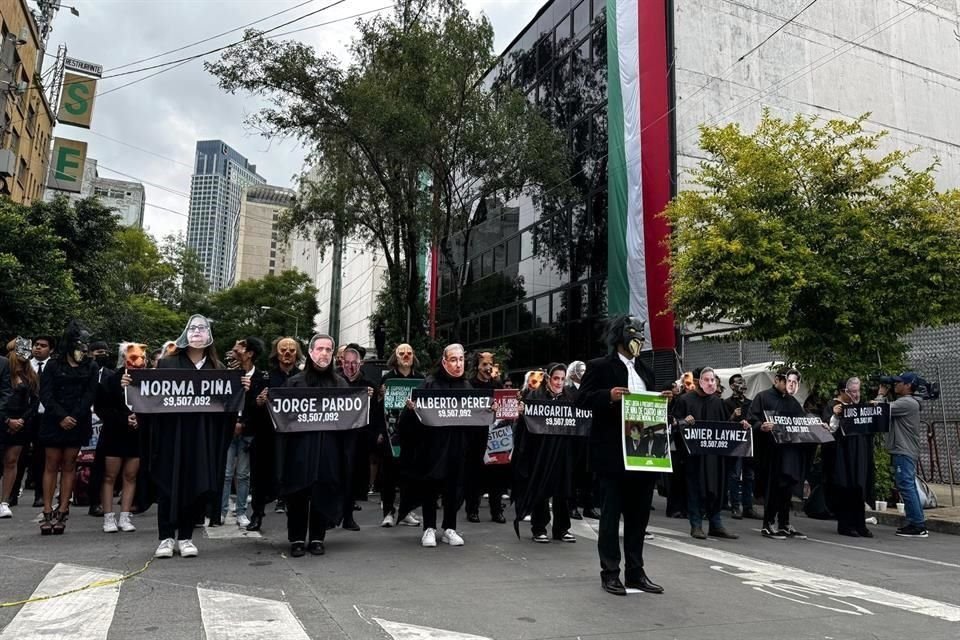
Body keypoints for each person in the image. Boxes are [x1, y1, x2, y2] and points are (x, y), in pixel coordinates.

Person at [132, 314, 238, 559]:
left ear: (210, 336)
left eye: (203, 328)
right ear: (186, 333)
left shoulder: (218, 369)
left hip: (203, 436)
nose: (198, 333)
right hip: (171, 434)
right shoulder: (168, 363)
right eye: (193, 328)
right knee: (169, 483)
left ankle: (186, 537)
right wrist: (133, 385)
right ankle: (165, 537)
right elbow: (151, 395)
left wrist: (239, 388)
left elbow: (227, 405)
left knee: (196, 483)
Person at [577, 315, 667, 596]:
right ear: (619, 337)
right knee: (611, 515)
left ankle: (636, 572)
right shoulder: (599, 367)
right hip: (613, 455)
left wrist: (663, 401)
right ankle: (610, 572)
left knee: (639, 516)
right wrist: (608, 396)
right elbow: (581, 400)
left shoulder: (647, 371)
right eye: (633, 333)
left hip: (644, 453)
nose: (638, 338)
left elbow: (649, 407)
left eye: (641, 333)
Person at [276, 334, 351, 557]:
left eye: (329, 350)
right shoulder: (295, 382)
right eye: (320, 349)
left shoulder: (340, 384)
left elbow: (349, 416)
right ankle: (297, 538)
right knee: (298, 492)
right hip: (300, 446)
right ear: (310, 352)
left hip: (329, 447)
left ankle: (317, 537)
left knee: (324, 489)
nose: (324, 354)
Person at [399, 344, 472, 548]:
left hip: (457, 447)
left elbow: (477, 419)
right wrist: (411, 410)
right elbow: (407, 422)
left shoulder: (467, 386)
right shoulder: (429, 384)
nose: (458, 364)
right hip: (432, 447)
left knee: (454, 487)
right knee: (430, 487)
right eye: (454, 360)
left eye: (461, 360)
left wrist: (490, 409)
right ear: (444, 362)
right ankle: (429, 528)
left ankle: (450, 528)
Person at [36, 321, 99, 535]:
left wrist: (74, 415)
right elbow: (45, 393)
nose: (83, 347)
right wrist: (62, 416)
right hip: (54, 419)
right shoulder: (54, 365)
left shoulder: (90, 366)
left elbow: (90, 394)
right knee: (51, 464)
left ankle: (63, 510)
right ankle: (47, 510)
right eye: (80, 342)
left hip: (78, 419)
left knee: (70, 464)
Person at [748, 367, 818, 540]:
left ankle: (784, 523)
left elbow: (802, 424)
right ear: (777, 380)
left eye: (794, 382)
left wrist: (817, 426)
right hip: (770, 452)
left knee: (787, 487)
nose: (791, 385)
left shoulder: (793, 403)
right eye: (788, 381)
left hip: (789, 453)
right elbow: (751, 420)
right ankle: (768, 523)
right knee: (773, 487)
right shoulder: (762, 397)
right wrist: (761, 426)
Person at [673, 367, 738, 540]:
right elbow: (672, 424)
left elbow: (725, 426)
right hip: (693, 457)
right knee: (695, 488)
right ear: (697, 382)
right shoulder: (685, 400)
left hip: (714, 456)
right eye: (707, 379)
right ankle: (696, 525)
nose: (710, 383)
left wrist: (740, 424)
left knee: (716, 488)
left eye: (713, 380)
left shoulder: (717, 402)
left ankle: (716, 524)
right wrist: (682, 422)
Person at [514, 362, 576, 543]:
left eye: (563, 379)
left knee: (562, 490)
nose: (559, 383)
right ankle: (539, 527)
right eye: (556, 378)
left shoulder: (570, 398)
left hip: (562, 452)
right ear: (548, 378)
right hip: (540, 451)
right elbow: (525, 426)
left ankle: (562, 529)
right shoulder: (534, 397)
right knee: (541, 487)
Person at [246, 337, 301, 532]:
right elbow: (249, 407)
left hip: (294, 438)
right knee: (261, 478)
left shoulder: (303, 379)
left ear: (297, 354)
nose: (287, 353)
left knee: (295, 479)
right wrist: (259, 402)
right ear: (276, 353)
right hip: (267, 437)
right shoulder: (264, 378)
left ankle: (295, 519)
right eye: (283, 349)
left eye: (291, 350)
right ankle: (257, 515)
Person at [95, 343, 147, 533]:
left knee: (131, 475)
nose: (138, 362)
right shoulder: (110, 380)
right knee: (110, 475)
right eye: (133, 358)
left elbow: (156, 405)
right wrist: (124, 418)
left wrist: (139, 419)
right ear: (124, 358)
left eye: (142, 357)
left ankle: (125, 516)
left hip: (136, 435)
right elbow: (101, 408)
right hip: (114, 434)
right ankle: (109, 517)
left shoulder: (149, 381)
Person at [220, 337, 266, 529]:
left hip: (248, 433)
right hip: (229, 431)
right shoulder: (227, 374)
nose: (235, 349)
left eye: (240, 346)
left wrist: (244, 423)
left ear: (250, 353)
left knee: (243, 474)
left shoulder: (261, 378)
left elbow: (258, 408)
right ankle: (220, 511)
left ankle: (241, 512)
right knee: (226, 472)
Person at [378, 343, 422, 528]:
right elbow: (378, 409)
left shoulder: (421, 380)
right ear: (395, 357)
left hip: (413, 434)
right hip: (390, 433)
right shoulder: (386, 380)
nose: (405, 356)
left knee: (410, 474)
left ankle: (406, 511)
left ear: (413, 357)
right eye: (401, 353)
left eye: (409, 353)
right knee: (388, 474)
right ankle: (388, 512)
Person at [465, 351, 507, 524]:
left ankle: (496, 511)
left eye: (490, 364)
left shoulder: (497, 385)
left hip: (495, 434)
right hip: (475, 434)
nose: (488, 368)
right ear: (477, 366)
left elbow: (505, 407)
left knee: (496, 474)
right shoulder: (469, 385)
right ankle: (472, 509)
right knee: (474, 473)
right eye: (484, 364)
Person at [884, 372, 927, 538]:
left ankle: (917, 524)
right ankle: (915, 521)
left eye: (899, 382)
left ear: (908, 385)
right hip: (905, 449)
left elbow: (882, 411)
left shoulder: (907, 403)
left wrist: (881, 395)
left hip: (903, 450)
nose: (896, 384)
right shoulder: (909, 402)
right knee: (908, 486)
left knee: (906, 486)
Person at [339, 345, 376, 531]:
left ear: (360, 363)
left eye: (355, 363)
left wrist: (373, 396)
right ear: (341, 363)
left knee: (352, 477)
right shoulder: (335, 381)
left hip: (358, 438)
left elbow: (376, 413)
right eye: (347, 363)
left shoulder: (368, 384)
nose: (351, 367)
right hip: (336, 437)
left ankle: (348, 516)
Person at [1, 338, 37, 519]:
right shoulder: (4, 370)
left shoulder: (30, 374)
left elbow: (34, 401)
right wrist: (7, 420)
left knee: (11, 461)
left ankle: (4, 501)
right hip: (3, 419)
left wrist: (22, 420)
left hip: (21, 423)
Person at [724, 373, 757, 520]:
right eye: (738, 382)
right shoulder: (727, 403)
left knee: (749, 475)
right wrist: (732, 416)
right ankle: (735, 506)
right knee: (735, 474)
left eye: (743, 381)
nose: (741, 384)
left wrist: (752, 424)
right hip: (735, 444)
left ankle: (748, 507)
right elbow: (723, 424)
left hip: (748, 443)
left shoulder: (751, 403)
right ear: (732, 386)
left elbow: (756, 420)